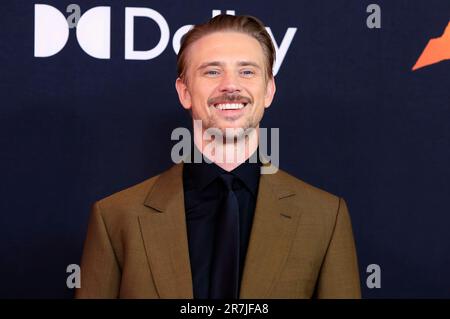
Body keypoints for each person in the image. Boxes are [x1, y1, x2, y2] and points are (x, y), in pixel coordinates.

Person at [75, 14, 361, 299]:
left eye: (246, 71)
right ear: (184, 92)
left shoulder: (324, 217)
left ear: (269, 91)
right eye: (212, 71)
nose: (230, 85)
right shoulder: (115, 217)